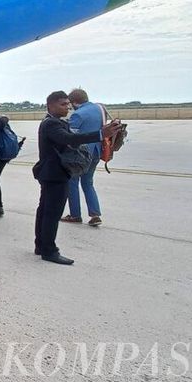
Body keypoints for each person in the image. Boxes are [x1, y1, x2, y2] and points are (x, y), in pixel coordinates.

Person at [33, 91, 122, 265]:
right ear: (50, 105)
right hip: (55, 174)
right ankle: (49, 250)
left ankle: (41, 245)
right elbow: (70, 139)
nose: (68, 107)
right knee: (51, 213)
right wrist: (100, 134)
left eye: (68, 104)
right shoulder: (51, 124)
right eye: (63, 104)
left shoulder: (55, 122)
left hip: (52, 173)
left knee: (45, 210)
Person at [62, 89, 105, 226]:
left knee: (72, 182)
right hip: (96, 151)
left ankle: (75, 215)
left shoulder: (78, 115)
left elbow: (69, 136)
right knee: (88, 183)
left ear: (74, 102)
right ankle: (95, 214)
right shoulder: (99, 109)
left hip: (81, 155)